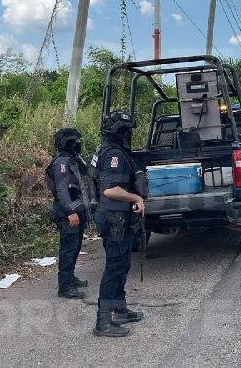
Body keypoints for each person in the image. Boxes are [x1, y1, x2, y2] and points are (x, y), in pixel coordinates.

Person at [93, 111, 147, 338]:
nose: (127, 134)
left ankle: (120, 309)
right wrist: (136, 198)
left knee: (122, 265)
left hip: (118, 218)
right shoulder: (113, 154)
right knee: (114, 269)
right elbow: (110, 190)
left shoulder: (108, 149)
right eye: (125, 130)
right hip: (113, 219)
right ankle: (103, 321)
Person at [45, 128, 91, 299]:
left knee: (75, 247)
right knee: (68, 249)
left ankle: (70, 278)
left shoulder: (73, 159)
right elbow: (61, 190)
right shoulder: (62, 162)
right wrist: (70, 212)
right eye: (74, 141)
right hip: (67, 212)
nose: (78, 144)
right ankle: (65, 287)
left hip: (76, 210)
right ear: (67, 143)